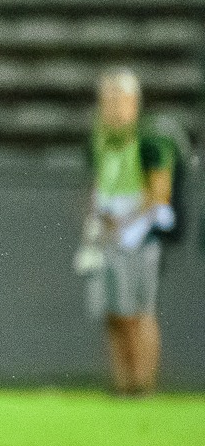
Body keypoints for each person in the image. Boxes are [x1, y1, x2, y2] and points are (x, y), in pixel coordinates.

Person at [76, 68, 179, 397]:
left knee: (139, 311)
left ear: (133, 101)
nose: (110, 107)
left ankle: (143, 382)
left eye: (117, 99)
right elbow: (99, 185)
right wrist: (94, 222)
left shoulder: (150, 139)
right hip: (109, 236)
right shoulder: (101, 138)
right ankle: (122, 382)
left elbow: (159, 193)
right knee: (112, 311)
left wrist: (122, 222)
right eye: (106, 100)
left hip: (139, 237)